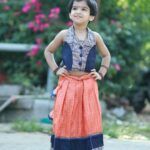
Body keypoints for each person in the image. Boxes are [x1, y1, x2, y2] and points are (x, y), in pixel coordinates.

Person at [44, 0, 111, 149]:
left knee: (88, 117)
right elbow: (48, 51)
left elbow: (106, 55)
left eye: (84, 9)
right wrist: (56, 69)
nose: (78, 11)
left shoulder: (95, 37)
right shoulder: (64, 35)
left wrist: (101, 72)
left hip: (88, 85)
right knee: (66, 116)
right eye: (75, 8)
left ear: (91, 16)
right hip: (68, 84)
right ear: (69, 13)